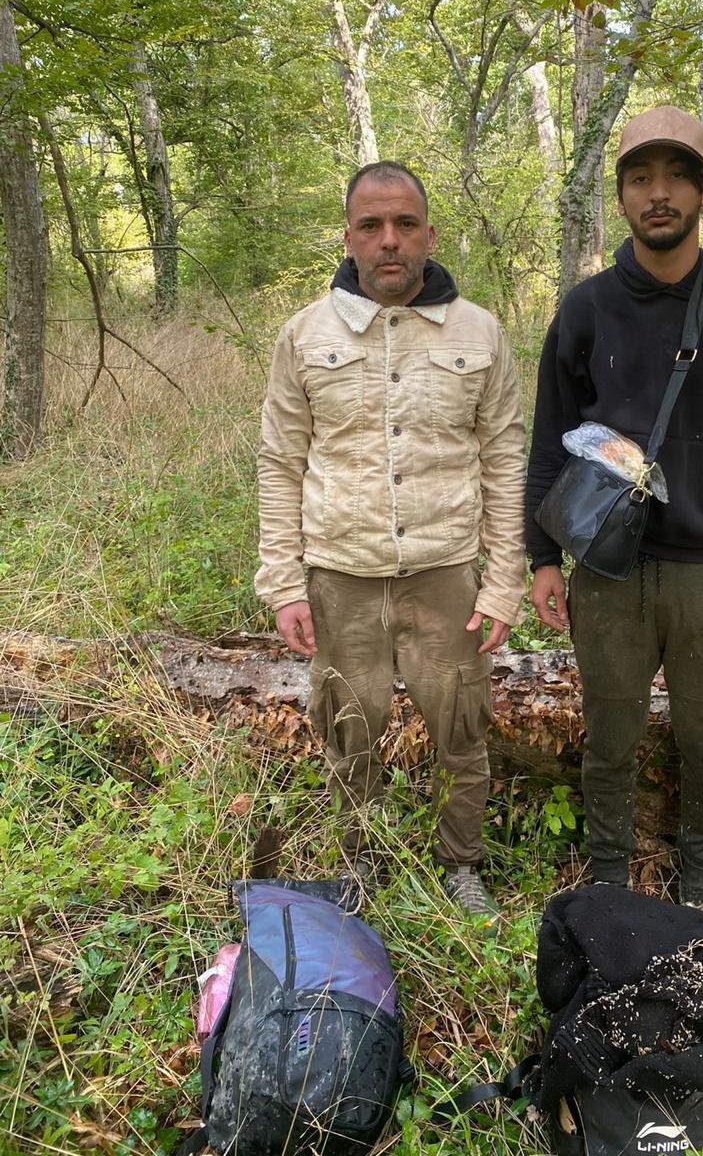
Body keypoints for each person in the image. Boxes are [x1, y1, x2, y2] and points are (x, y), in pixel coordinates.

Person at [525, 106, 703, 927]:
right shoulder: (587, 309)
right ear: (621, 197)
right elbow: (548, 442)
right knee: (609, 736)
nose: (659, 193)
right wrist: (543, 560)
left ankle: (701, 886)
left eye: (677, 175)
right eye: (641, 177)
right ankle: (610, 883)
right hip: (607, 567)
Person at [255, 160, 526, 929]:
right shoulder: (305, 335)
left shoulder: (479, 333)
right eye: (371, 226)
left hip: (446, 575)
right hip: (340, 575)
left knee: (462, 728)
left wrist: (502, 581)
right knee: (349, 730)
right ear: (348, 237)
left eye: (405, 224)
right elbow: (280, 459)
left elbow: (505, 457)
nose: (389, 241)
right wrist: (283, 582)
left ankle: (460, 864)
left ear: (430, 235)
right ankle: (359, 860)